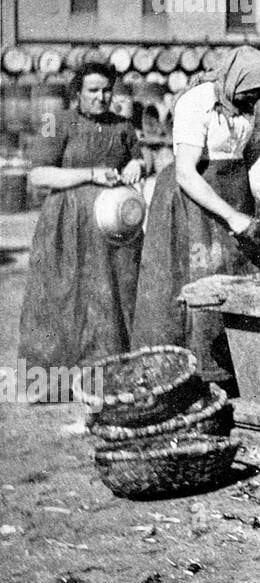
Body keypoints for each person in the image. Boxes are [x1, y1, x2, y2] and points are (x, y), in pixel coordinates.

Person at [132, 46, 260, 386]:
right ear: (234, 80)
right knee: (194, 276)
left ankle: (229, 372)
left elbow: (253, 154)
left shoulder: (253, 105)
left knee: (235, 273)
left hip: (233, 191)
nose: (254, 99)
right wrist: (232, 217)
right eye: (250, 91)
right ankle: (185, 375)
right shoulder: (196, 102)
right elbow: (186, 173)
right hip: (192, 199)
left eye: (259, 93)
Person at [19, 62, 146, 377]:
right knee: (63, 294)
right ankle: (54, 378)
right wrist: (90, 174)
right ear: (77, 93)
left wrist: (137, 166)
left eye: (106, 90)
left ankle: (109, 371)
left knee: (115, 294)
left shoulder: (123, 126)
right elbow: (38, 174)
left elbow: (138, 158)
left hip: (114, 227)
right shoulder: (56, 121)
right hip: (66, 223)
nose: (101, 97)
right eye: (93, 90)